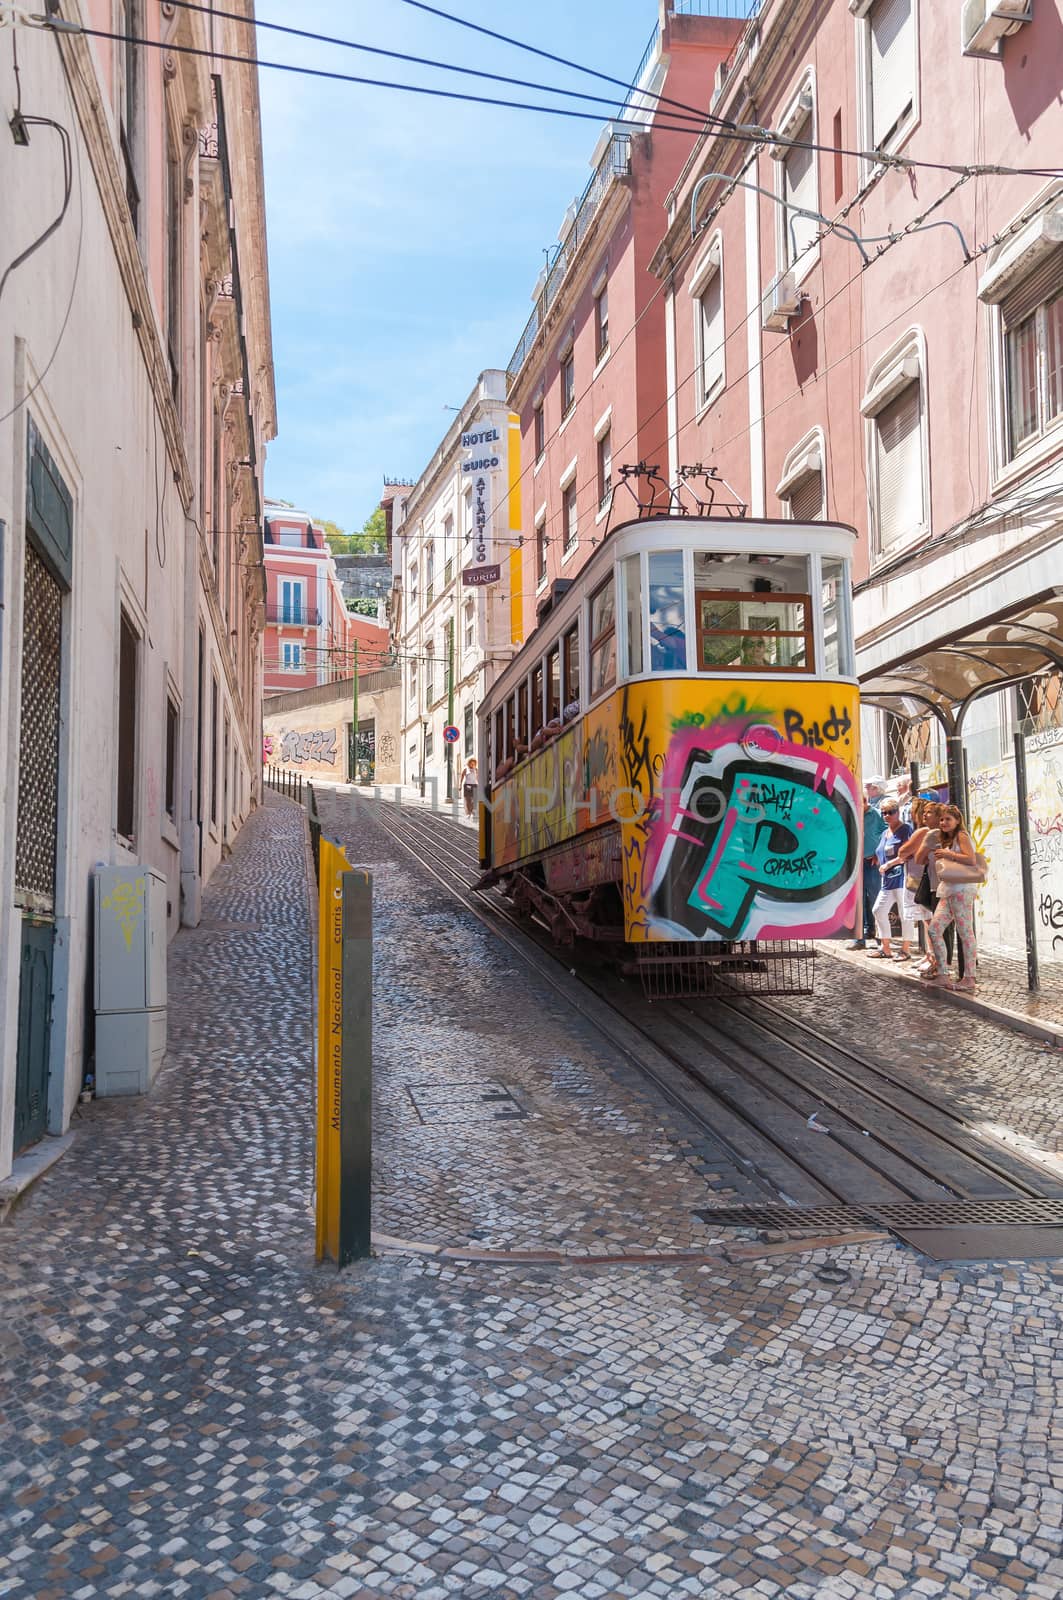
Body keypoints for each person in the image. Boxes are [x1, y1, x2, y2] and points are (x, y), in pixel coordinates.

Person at [921, 803, 979, 992]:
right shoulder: (946, 838)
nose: (943, 822)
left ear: (957, 821)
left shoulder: (961, 835)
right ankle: (943, 974)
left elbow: (971, 859)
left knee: (965, 933)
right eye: (942, 819)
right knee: (934, 929)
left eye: (948, 819)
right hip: (948, 889)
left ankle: (969, 977)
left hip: (962, 889)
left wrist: (948, 854)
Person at [895, 795, 939, 975]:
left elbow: (903, 851)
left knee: (929, 919)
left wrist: (908, 851)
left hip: (920, 878)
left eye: (911, 811)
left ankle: (933, 957)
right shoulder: (928, 831)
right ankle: (930, 954)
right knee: (927, 919)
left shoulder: (922, 832)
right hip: (922, 877)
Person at [868, 801, 915, 961]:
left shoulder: (906, 829)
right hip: (887, 880)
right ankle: (885, 947)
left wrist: (889, 863)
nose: (887, 815)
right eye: (884, 812)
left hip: (901, 878)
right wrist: (877, 857)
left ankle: (905, 949)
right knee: (878, 910)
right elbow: (881, 850)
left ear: (898, 811)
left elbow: (907, 853)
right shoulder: (884, 833)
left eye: (891, 811)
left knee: (905, 914)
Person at [848, 793, 887, 950]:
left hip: (872, 862)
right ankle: (859, 939)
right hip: (856, 863)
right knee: (858, 901)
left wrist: (880, 853)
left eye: (861, 804)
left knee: (876, 899)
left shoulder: (876, 814)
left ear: (865, 802)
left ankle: (881, 938)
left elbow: (886, 832)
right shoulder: (851, 814)